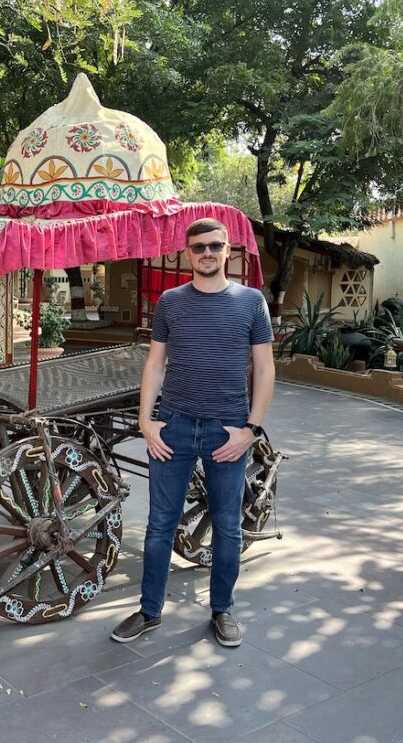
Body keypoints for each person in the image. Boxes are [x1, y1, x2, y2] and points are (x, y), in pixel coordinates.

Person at [111, 217, 275, 648]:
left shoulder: (251, 302)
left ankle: (222, 609)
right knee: (160, 524)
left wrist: (251, 430)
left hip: (228, 431)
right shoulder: (170, 302)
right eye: (198, 246)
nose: (207, 252)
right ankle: (149, 611)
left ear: (227, 250)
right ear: (188, 253)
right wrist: (147, 421)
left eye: (215, 245)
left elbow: (264, 368)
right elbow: (155, 364)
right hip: (175, 428)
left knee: (227, 525)